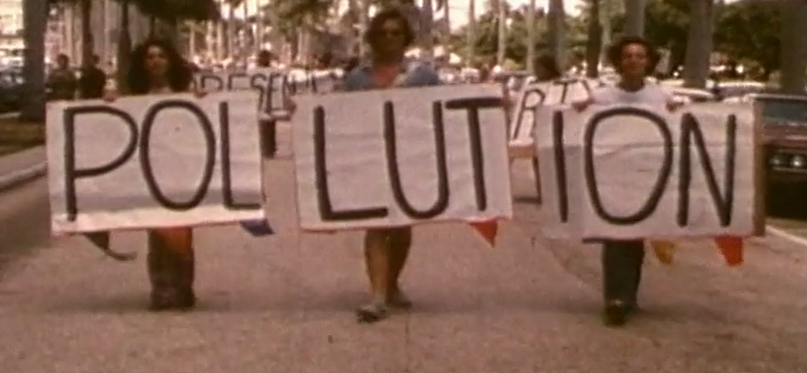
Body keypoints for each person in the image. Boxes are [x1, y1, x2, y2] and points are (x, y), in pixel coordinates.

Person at [288, 8, 440, 323]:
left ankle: (391, 282)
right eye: (383, 33)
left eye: (395, 33)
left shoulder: (423, 76)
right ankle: (378, 297)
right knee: (375, 226)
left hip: (410, 161)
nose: (389, 39)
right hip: (370, 161)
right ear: (374, 38)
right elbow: (336, 112)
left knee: (401, 227)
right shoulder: (358, 77)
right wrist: (302, 110)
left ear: (405, 38)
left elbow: (447, 109)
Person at [573, 36, 682, 327]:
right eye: (628, 55)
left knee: (635, 235)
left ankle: (627, 295)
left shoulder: (662, 97)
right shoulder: (601, 97)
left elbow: (682, 126)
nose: (634, 60)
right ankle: (616, 299)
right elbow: (573, 120)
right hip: (612, 176)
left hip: (648, 175)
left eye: (640, 55)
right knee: (616, 234)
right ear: (619, 62)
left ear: (649, 62)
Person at [104, 38, 205, 311]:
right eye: (150, 57)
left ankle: (182, 287)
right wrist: (111, 106)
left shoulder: (187, 96)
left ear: (170, 61)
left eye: (161, 55)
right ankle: (161, 288)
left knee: (181, 231)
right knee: (156, 232)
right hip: (150, 175)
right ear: (143, 63)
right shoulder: (134, 101)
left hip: (181, 174)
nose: (156, 61)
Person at [256, 50, 278, 158]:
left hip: (261, 103)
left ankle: (266, 149)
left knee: (264, 127)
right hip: (271, 103)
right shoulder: (273, 72)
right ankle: (270, 149)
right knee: (270, 126)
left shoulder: (254, 72)